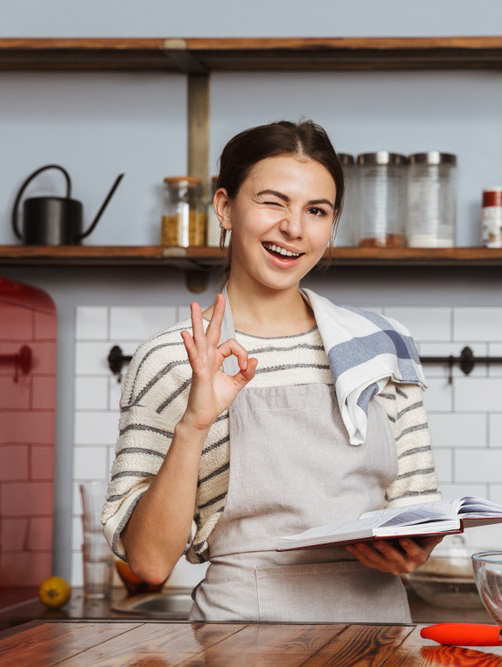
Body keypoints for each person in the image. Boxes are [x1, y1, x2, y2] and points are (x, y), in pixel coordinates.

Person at [102, 120, 442, 623]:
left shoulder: (380, 344)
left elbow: (417, 506)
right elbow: (150, 563)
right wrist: (194, 424)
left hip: (379, 638)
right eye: (272, 202)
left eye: (316, 211)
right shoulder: (175, 358)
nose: (294, 229)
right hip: (241, 639)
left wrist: (415, 549)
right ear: (224, 208)